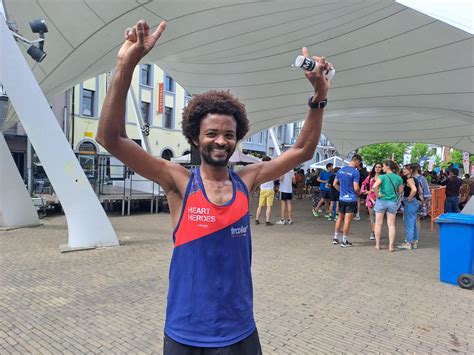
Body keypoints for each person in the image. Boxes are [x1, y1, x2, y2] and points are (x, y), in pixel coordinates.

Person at [96, 19, 332, 353]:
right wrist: (126, 64)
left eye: (229, 135)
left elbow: (302, 151)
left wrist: (319, 96)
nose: (221, 141)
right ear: (195, 137)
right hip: (185, 334)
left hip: (239, 332)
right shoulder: (177, 181)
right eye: (212, 134)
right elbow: (111, 138)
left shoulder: (247, 180)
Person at [372, 160, 404, 251]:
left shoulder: (382, 177)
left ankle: (378, 245)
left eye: (383, 166)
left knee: (378, 224)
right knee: (391, 225)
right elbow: (400, 191)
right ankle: (391, 246)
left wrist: (378, 195)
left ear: (388, 167)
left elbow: (374, 186)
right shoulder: (398, 178)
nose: (382, 168)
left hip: (381, 201)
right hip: (392, 202)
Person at [333, 154, 362, 247]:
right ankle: (344, 241)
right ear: (356, 161)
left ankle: (335, 238)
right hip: (351, 199)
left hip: (342, 198)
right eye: (359, 163)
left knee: (340, 218)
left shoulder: (340, 170)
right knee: (347, 221)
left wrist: (341, 191)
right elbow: (356, 187)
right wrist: (359, 194)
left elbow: (334, 184)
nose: (359, 165)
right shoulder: (355, 172)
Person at [398, 164, 422, 250]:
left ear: (411, 170)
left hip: (410, 203)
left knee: (409, 223)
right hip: (414, 202)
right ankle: (414, 242)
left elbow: (415, 190)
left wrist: (410, 197)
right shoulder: (415, 179)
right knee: (413, 223)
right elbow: (420, 190)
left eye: (406, 169)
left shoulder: (409, 180)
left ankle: (408, 242)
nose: (404, 170)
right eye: (403, 169)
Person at [361, 162, 383, 240]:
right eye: (376, 167)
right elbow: (363, 184)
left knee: (379, 217)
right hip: (370, 199)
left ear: (382, 168)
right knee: (372, 216)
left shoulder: (384, 177)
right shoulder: (370, 176)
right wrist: (366, 192)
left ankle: (377, 231)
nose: (377, 168)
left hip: (381, 199)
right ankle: (373, 232)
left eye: (379, 167)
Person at [255, 156, 274, 226]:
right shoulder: (272, 170)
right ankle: (267, 221)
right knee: (268, 206)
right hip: (270, 189)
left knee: (260, 205)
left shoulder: (260, 170)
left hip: (262, 189)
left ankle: (257, 219)